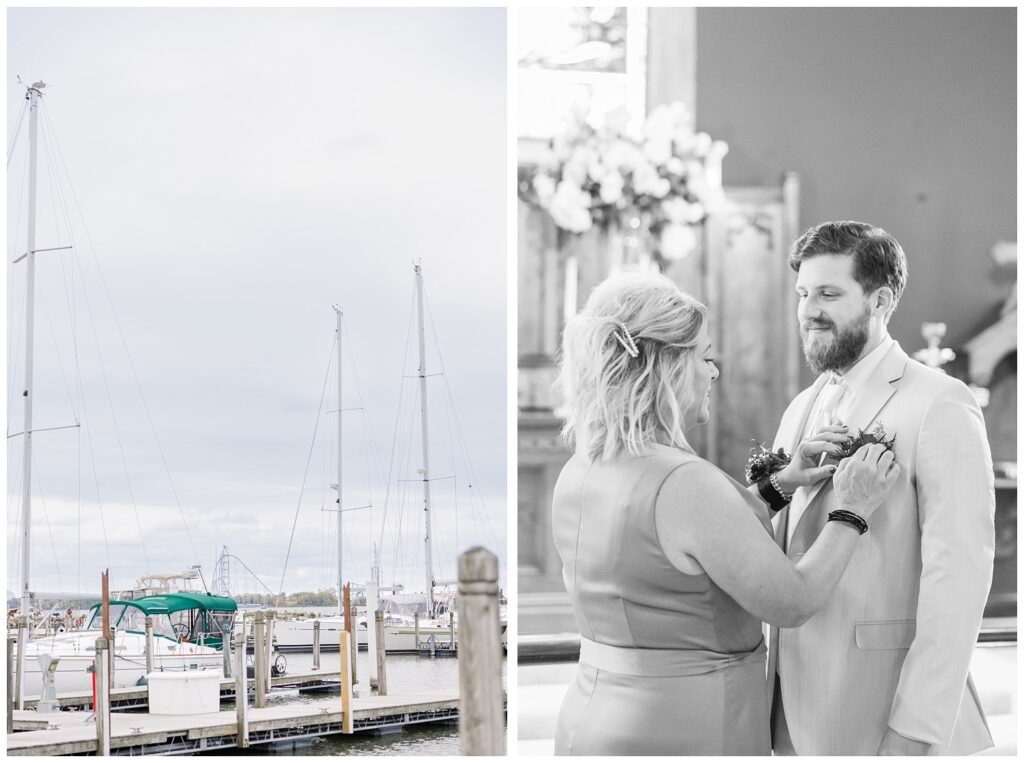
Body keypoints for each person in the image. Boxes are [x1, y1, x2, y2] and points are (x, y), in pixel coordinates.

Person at [551, 271, 899, 756]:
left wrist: (784, 483)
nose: (714, 373)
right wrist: (851, 510)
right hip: (687, 725)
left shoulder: (581, 467)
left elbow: (684, 548)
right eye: (705, 357)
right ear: (666, 367)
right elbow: (791, 602)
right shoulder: (684, 482)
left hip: (593, 714)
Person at [767, 221, 995, 755]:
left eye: (828, 293)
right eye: (802, 293)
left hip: (881, 709)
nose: (808, 310)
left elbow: (958, 579)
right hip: (789, 712)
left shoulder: (939, 401)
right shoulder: (802, 407)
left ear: (880, 299)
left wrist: (916, 728)